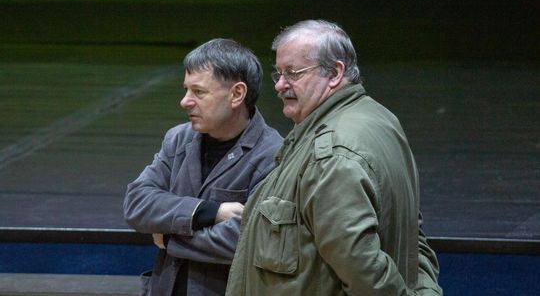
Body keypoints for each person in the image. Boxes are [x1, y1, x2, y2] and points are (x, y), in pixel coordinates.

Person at [226, 20, 443, 295]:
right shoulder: (379, 119)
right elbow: (413, 239)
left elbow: (364, 273)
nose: (280, 85)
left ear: (335, 73)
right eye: (278, 73)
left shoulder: (332, 156)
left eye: (292, 73)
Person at [124, 38, 283, 296]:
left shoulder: (272, 155)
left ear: (237, 94)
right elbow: (137, 203)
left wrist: (168, 237)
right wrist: (210, 212)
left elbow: (249, 240)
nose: (185, 101)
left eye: (198, 92)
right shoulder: (178, 138)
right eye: (186, 90)